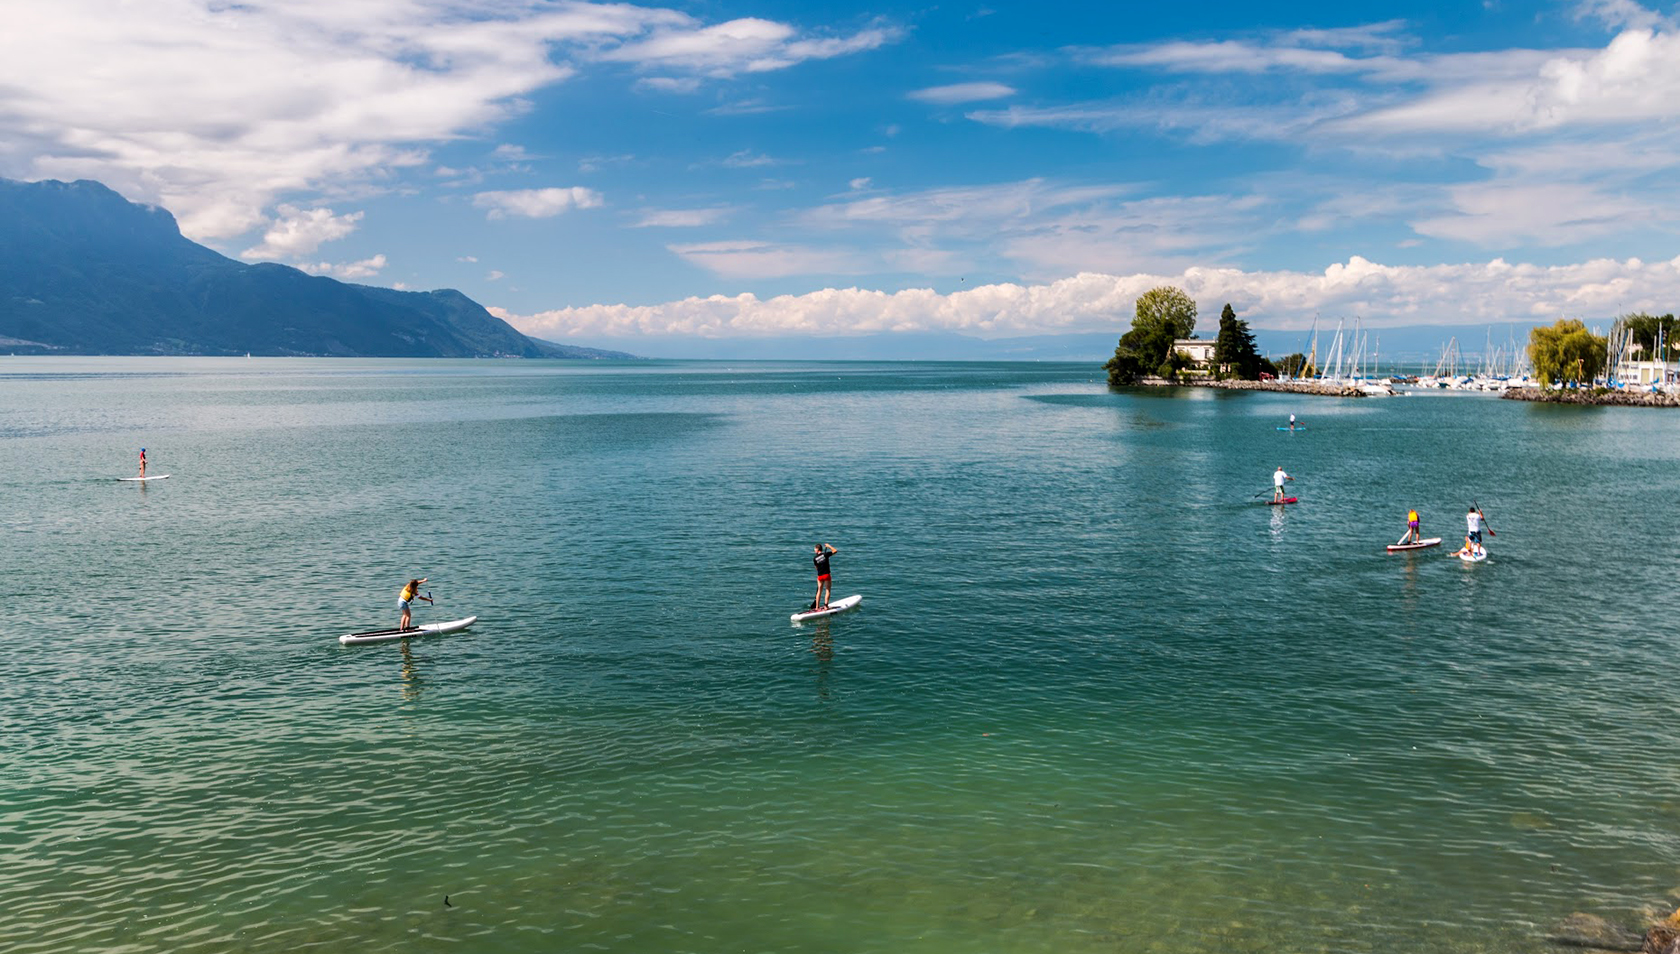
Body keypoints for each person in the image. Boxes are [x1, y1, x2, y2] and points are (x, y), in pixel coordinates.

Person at [811, 544, 837, 610]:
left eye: (814, 549)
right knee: (827, 590)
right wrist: (829, 546)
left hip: (820, 576)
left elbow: (816, 568)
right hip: (826, 575)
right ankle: (826, 606)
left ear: (817, 549)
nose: (814, 550)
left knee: (819, 591)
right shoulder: (825, 555)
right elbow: (835, 551)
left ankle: (817, 607)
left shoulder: (815, 558)